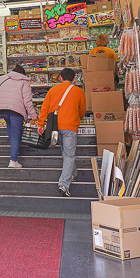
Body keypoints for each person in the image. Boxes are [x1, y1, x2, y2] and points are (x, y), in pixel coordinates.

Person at [39, 68, 87, 197]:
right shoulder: (78, 91)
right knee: (69, 154)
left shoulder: (53, 90)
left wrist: (41, 124)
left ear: (60, 77)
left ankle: (73, 174)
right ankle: (64, 184)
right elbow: (82, 110)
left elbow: (45, 108)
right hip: (70, 126)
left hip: (54, 127)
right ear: (74, 78)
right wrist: (77, 117)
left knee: (67, 153)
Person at [0, 65, 38, 168]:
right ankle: (13, 160)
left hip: (2, 108)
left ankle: (14, 151)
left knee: (11, 128)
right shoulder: (24, 82)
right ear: (22, 74)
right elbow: (27, 100)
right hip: (16, 110)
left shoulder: (1, 78)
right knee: (16, 133)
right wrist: (33, 115)